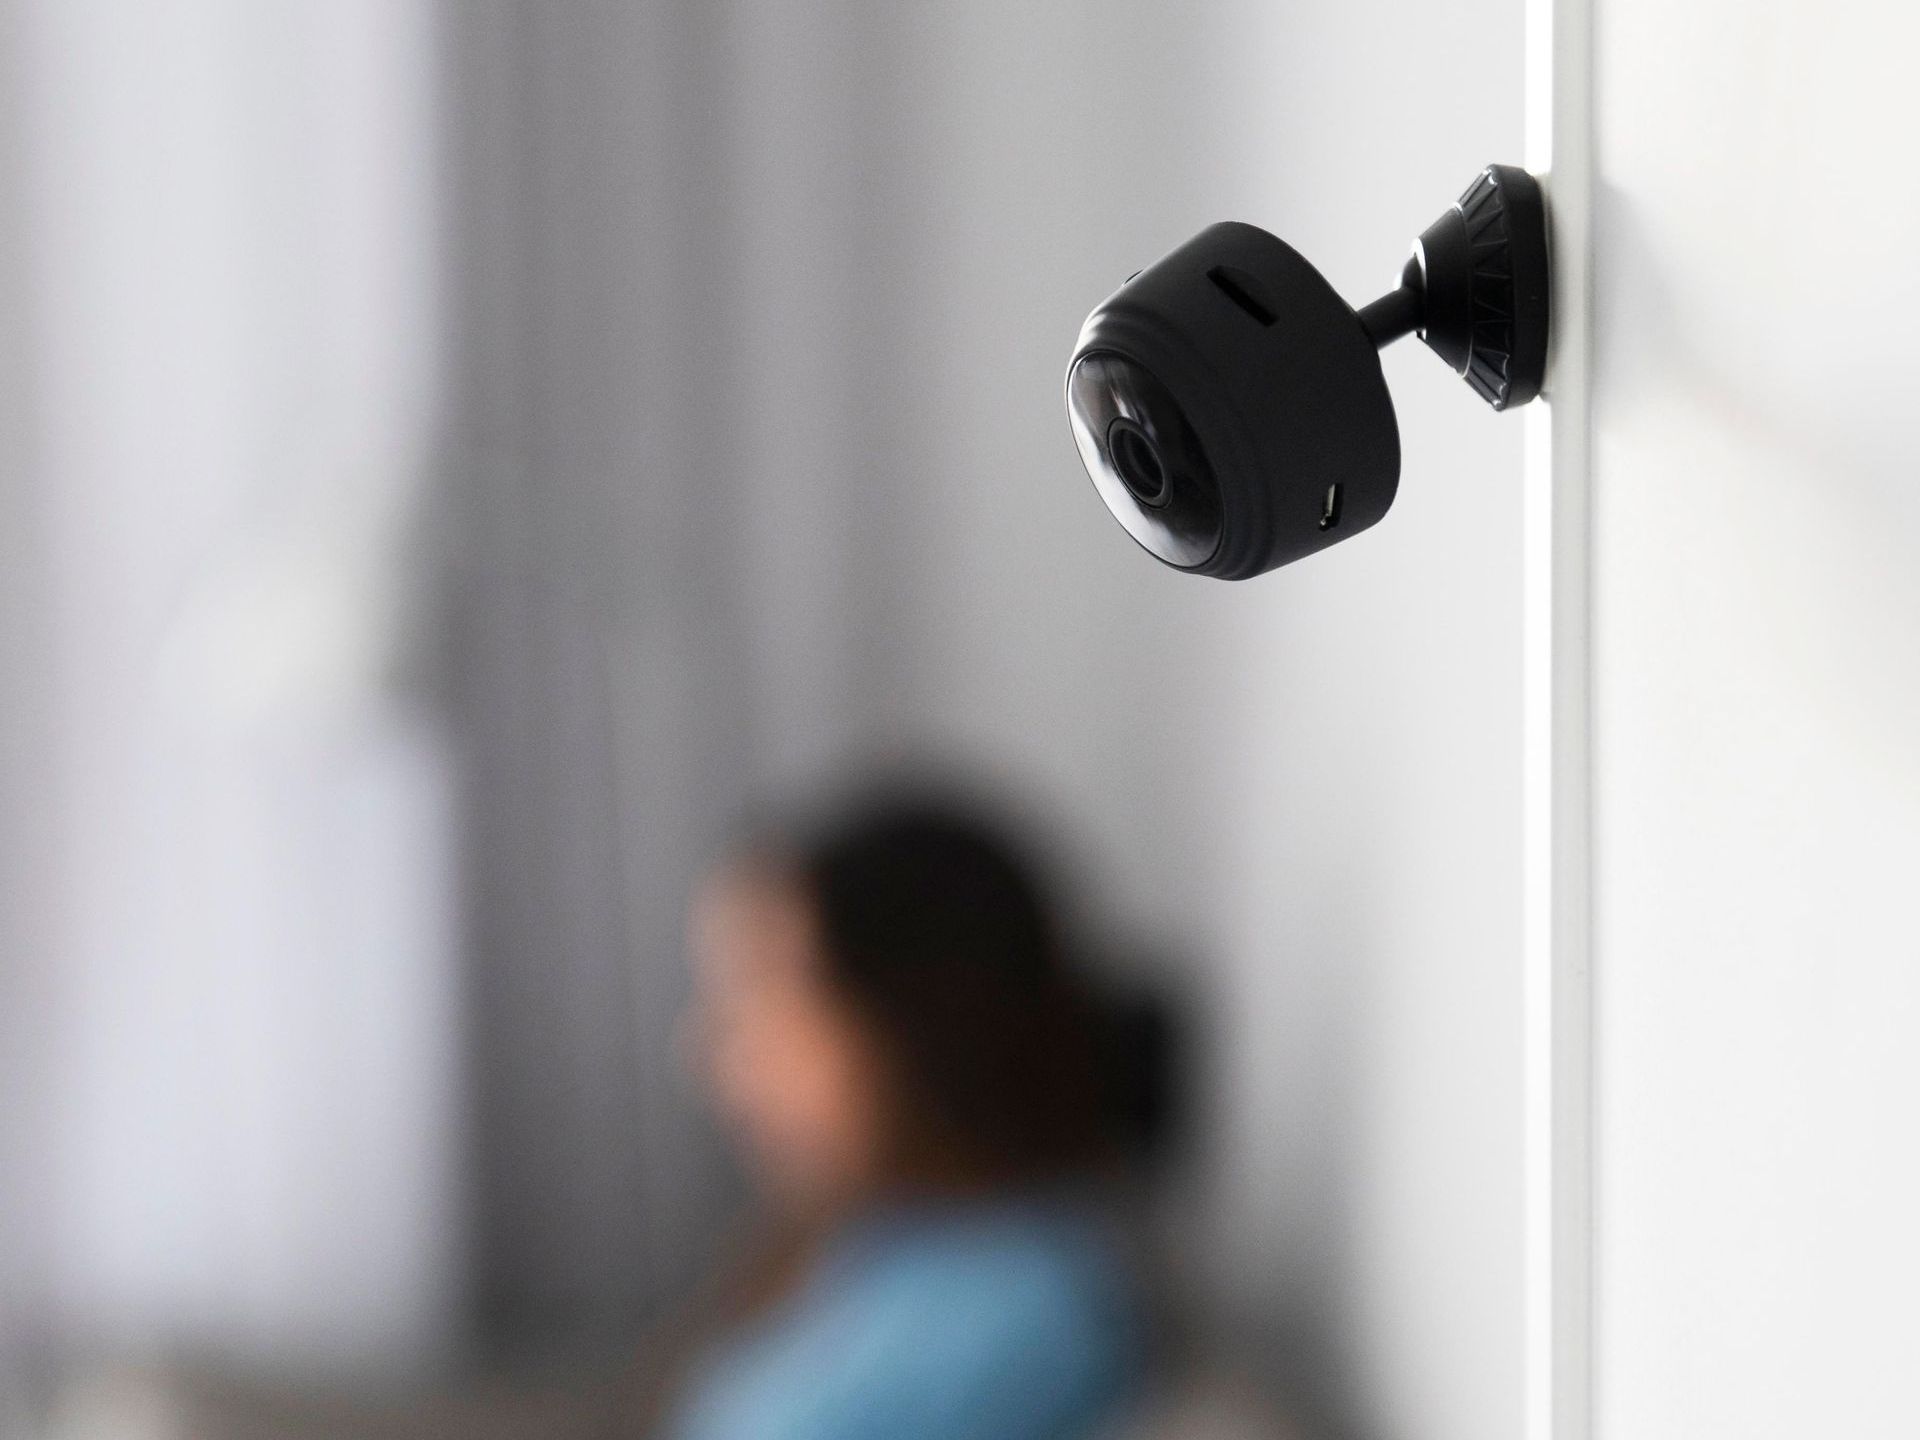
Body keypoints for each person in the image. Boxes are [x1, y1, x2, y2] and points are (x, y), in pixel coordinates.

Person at [663, 789, 1146, 1440]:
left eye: (766, 994)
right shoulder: (876, 1241)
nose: (713, 1052)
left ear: (913, 1019)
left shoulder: (1023, 1315)